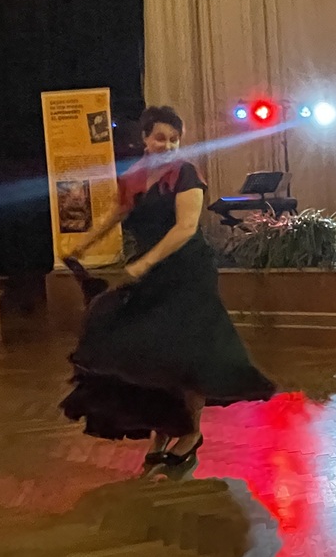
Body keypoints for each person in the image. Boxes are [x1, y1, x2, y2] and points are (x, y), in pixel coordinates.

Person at [60, 106, 276, 468]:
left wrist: (144, 262)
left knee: (187, 357)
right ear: (145, 139)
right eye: (160, 138)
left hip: (187, 274)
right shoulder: (134, 177)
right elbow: (117, 214)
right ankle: (164, 427)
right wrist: (82, 245)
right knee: (150, 356)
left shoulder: (186, 173)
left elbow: (185, 228)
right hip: (153, 275)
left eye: (174, 139)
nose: (168, 145)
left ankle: (191, 431)